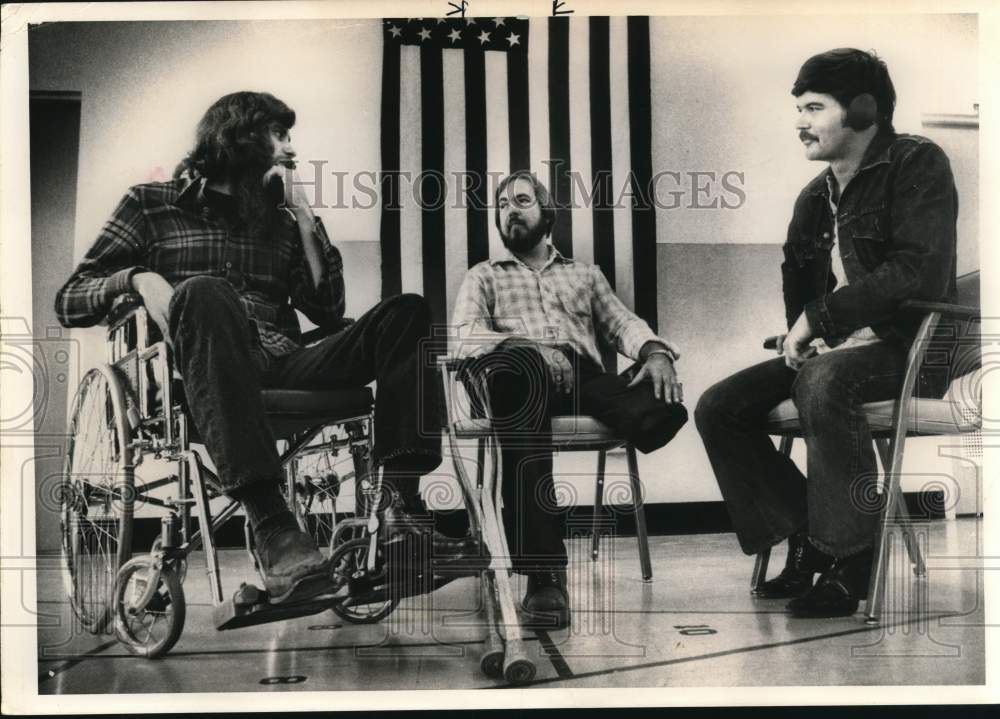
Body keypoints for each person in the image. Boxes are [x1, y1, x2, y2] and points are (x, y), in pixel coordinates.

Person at [55, 91, 466, 605]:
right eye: (280, 135)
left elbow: (327, 309)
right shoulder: (150, 204)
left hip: (285, 359)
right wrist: (138, 278)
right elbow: (70, 300)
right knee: (204, 291)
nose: (291, 149)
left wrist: (305, 216)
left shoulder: (281, 222)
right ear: (240, 136)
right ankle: (273, 526)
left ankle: (398, 511)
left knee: (406, 312)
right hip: (200, 369)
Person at [694, 49, 958, 618]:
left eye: (814, 107)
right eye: (799, 108)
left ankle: (851, 558)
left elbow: (917, 272)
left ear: (863, 110)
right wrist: (808, 332)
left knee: (823, 380)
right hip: (841, 353)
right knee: (719, 407)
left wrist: (819, 321)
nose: (800, 122)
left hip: (913, 349)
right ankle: (810, 532)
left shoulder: (916, 163)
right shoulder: (814, 197)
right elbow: (800, 285)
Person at [451, 171, 689, 627]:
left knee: (661, 408)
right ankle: (544, 575)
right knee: (523, 374)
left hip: (579, 377)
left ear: (547, 214)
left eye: (522, 201)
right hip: (515, 378)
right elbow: (463, 336)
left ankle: (643, 415)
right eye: (502, 205)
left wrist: (656, 352)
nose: (510, 210)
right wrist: (530, 348)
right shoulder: (484, 276)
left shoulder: (584, 274)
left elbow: (622, 323)